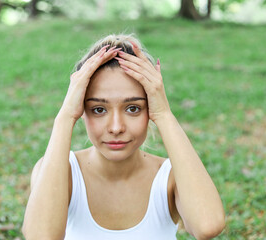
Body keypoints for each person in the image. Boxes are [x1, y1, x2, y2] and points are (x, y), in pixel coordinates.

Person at [22, 34, 225, 240]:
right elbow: (40, 236)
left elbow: (208, 225)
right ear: (81, 110)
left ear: (150, 109)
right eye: (99, 109)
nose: (116, 127)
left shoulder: (170, 178)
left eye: (133, 108)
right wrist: (65, 117)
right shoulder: (59, 172)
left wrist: (164, 114)